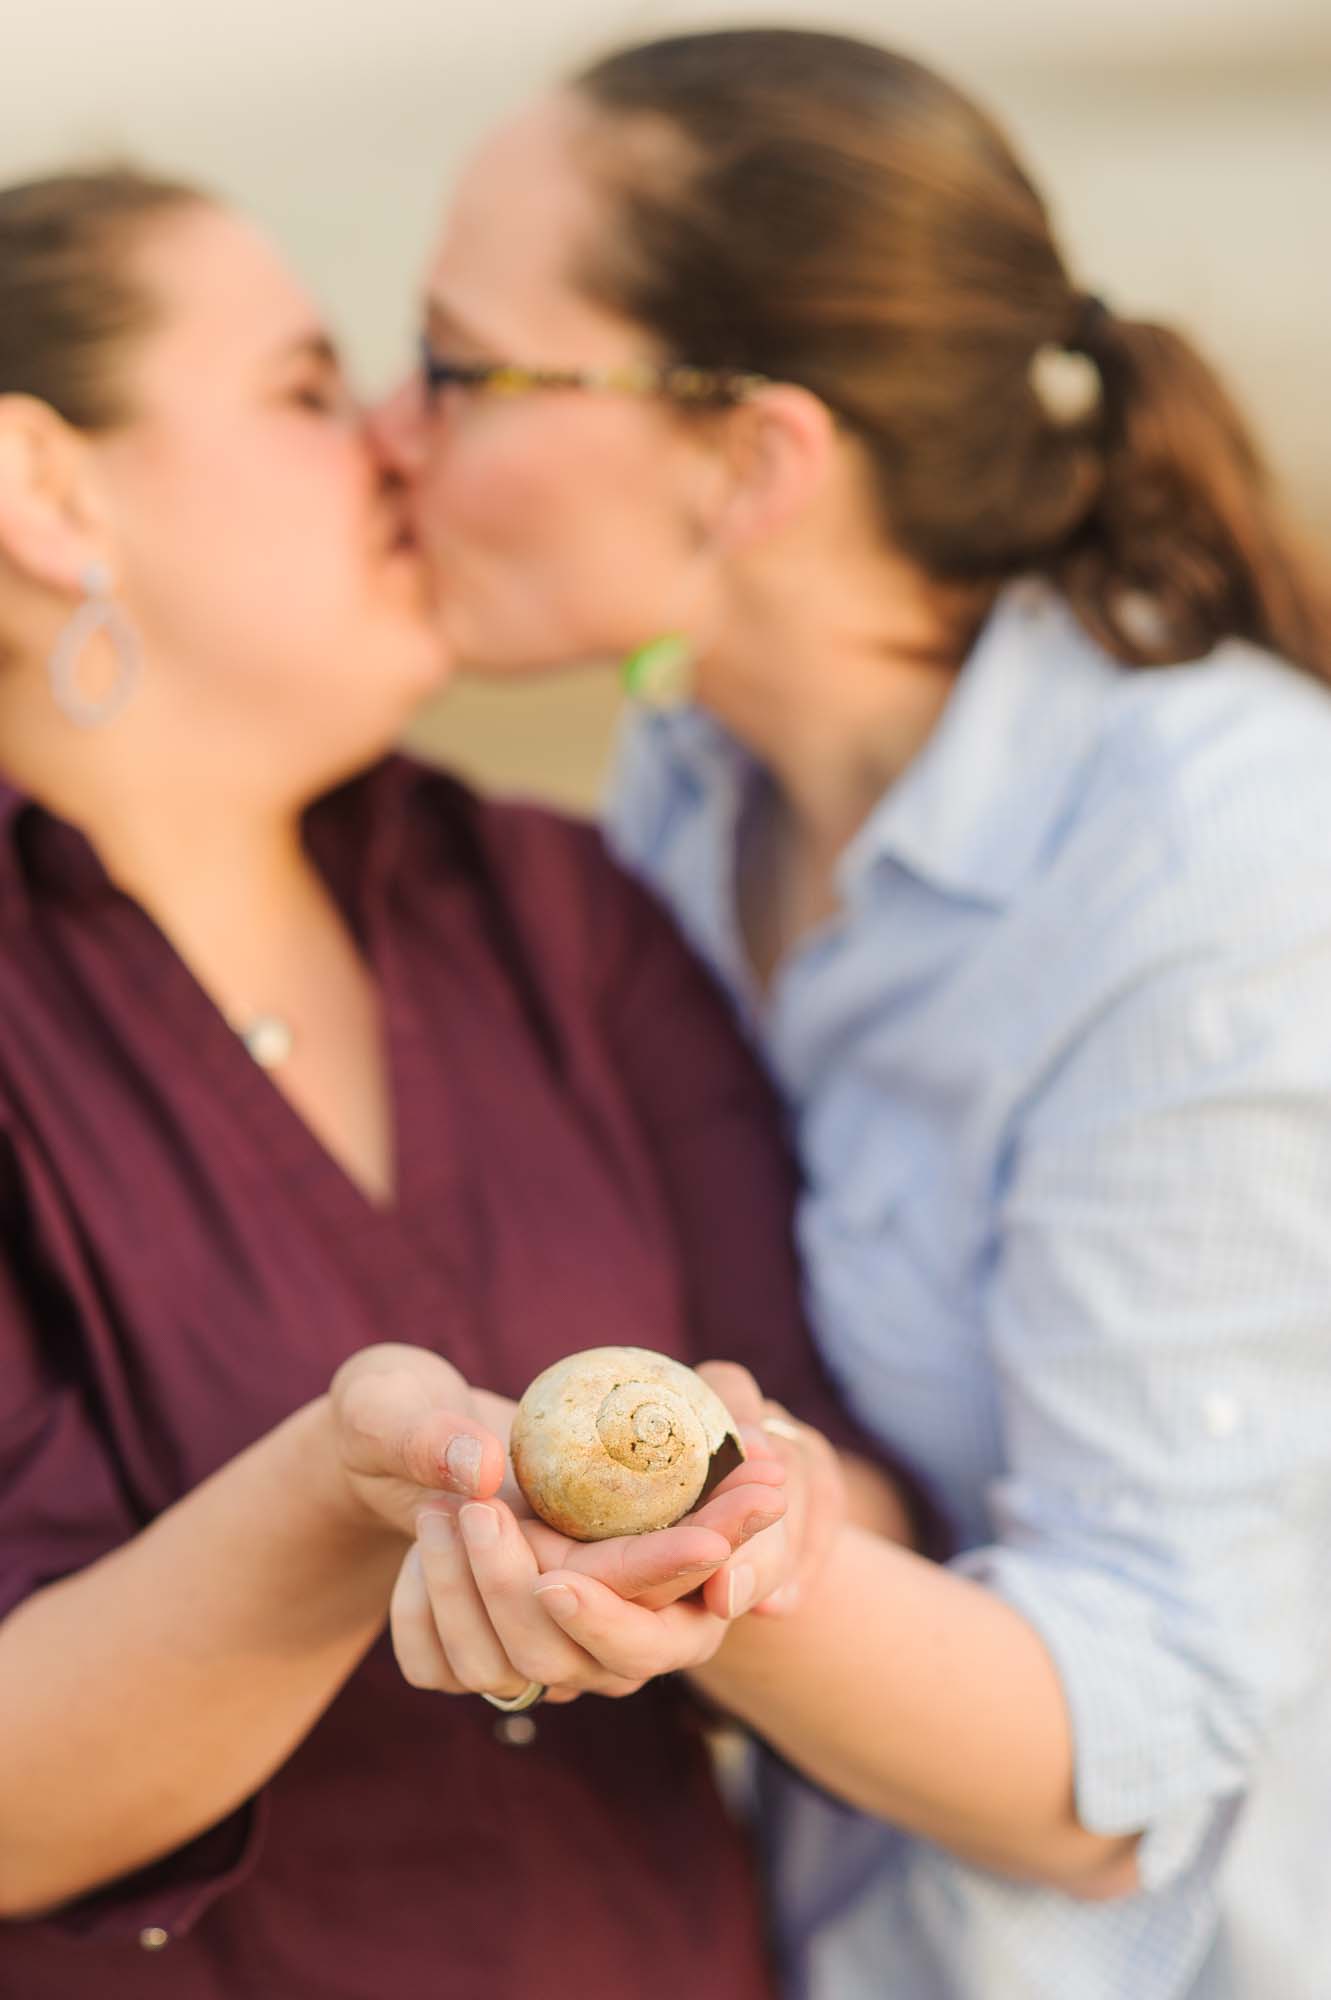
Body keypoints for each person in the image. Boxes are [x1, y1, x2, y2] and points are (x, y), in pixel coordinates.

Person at [375, 27, 1331, 2000]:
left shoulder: (1223, 868)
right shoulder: (686, 787)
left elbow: (1126, 1760)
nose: (392, 430)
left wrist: (689, 1577)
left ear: (757, 461)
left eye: (463, 371)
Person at [0, 165, 920, 2000]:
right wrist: (338, 1498)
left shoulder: (559, 910)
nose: (401, 447)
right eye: (306, 390)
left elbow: (861, 1481)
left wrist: (749, 1527)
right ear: (45, 491)